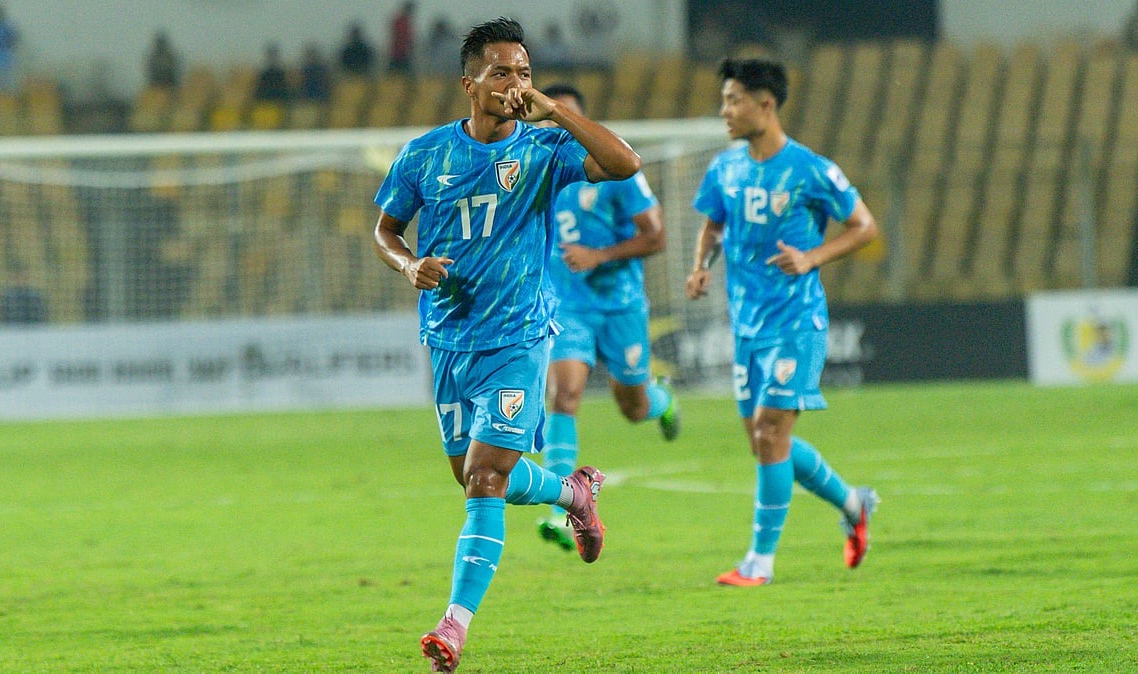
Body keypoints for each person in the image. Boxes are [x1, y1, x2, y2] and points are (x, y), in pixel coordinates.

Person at [372, 17, 640, 673]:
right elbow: (384, 230)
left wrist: (553, 110)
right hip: (449, 340)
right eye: (501, 72)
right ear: (470, 83)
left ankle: (452, 627)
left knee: (485, 478)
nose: (514, 83)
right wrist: (408, 266)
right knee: (474, 475)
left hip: (518, 337)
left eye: (523, 72)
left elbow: (624, 163)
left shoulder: (544, 151)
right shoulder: (425, 155)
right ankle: (575, 494)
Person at [684, 58, 880, 586]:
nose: (724, 111)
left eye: (733, 100)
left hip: (797, 322)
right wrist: (702, 267)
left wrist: (813, 258)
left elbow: (864, 226)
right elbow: (712, 225)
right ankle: (853, 503)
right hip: (747, 328)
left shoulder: (811, 169)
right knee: (766, 442)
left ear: (765, 105)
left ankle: (759, 562)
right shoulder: (725, 168)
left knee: (771, 434)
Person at [532, 83, 681, 552]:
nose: (560, 124)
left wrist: (599, 255)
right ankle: (562, 510)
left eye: (567, 116)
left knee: (633, 407)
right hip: (568, 305)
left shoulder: (616, 170)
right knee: (565, 394)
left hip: (620, 304)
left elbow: (655, 237)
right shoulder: (542, 169)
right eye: (551, 116)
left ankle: (663, 400)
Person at [386, 1, 416, 74]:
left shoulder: (401, 21)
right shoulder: (403, 22)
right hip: (400, 53)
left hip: (399, 53)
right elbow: (405, 38)